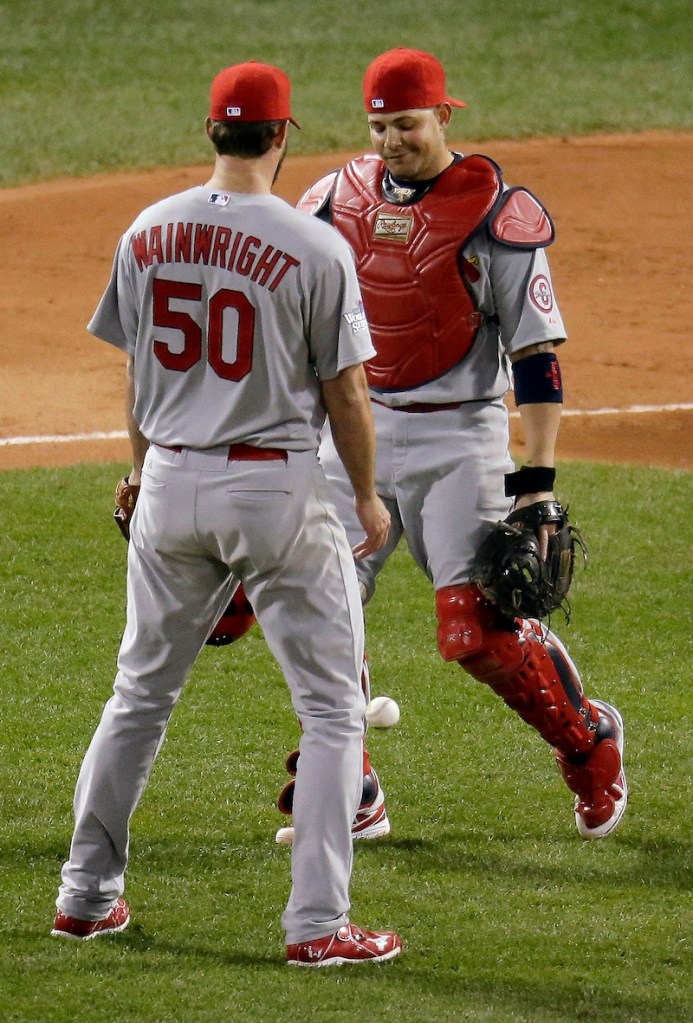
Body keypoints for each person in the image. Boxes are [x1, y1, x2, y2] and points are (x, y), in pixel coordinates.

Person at [51, 60, 403, 968]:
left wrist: (140, 473)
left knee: (139, 695)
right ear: (281, 136)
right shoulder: (314, 245)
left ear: (211, 131)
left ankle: (85, 896)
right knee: (331, 710)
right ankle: (317, 923)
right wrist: (364, 495)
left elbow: (136, 371)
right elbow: (348, 392)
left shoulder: (146, 229)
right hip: (274, 486)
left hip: (169, 480)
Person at [289, 47, 627, 841]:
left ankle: (588, 742)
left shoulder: (493, 213)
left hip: (458, 431)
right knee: (317, 609)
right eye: (377, 126)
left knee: (476, 634)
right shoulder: (332, 200)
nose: (390, 141)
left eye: (405, 124)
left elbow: (536, 357)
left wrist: (535, 486)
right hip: (358, 428)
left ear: (444, 116)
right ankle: (350, 782)